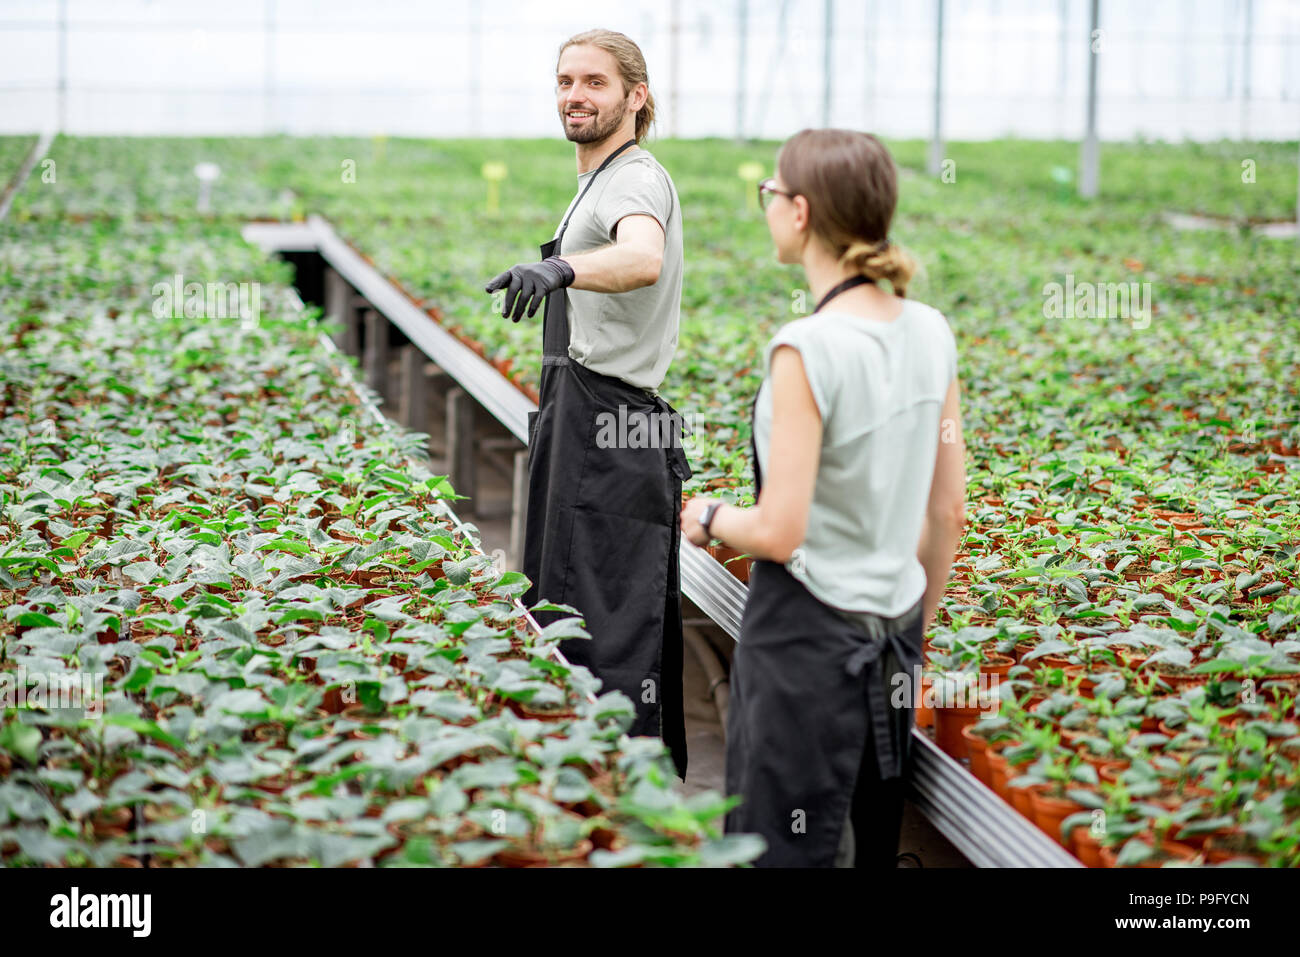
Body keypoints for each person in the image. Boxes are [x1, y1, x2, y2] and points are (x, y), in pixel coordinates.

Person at [680, 129, 967, 866]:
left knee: (785, 848)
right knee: (870, 841)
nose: (768, 205)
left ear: (800, 212)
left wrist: (711, 517)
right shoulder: (931, 332)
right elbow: (946, 513)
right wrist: (906, 634)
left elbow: (779, 530)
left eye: (771, 193)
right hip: (892, 640)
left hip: (806, 650)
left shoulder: (806, 348)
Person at [485, 29, 691, 778]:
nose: (576, 95)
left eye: (595, 83)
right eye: (566, 80)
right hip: (584, 420)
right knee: (572, 610)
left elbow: (643, 257)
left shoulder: (635, 179)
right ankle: (593, 791)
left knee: (603, 626)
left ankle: (618, 800)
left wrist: (563, 268)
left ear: (635, 95)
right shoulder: (598, 180)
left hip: (608, 429)